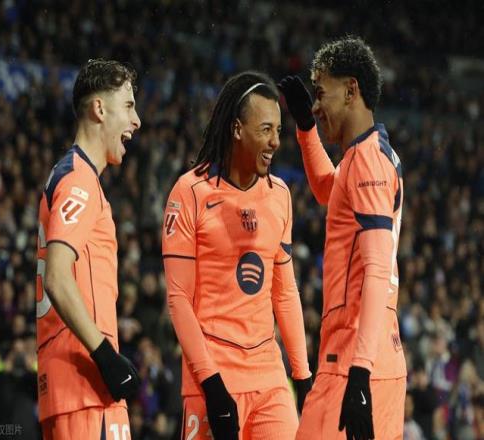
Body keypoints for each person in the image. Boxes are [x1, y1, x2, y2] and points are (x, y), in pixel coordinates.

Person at [162, 71, 312, 440]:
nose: (276, 141)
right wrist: (211, 384)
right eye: (266, 129)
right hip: (212, 375)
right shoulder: (190, 192)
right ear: (237, 129)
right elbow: (179, 299)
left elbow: (284, 292)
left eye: (279, 130)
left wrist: (302, 376)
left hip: (268, 377)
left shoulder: (280, 195)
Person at [278, 36, 407, 439]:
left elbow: (376, 268)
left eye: (321, 94)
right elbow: (327, 190)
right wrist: (305, 129)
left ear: (351, 90)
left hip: (354, 357)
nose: (316, 107)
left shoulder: (367, 160)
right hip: (374, 355)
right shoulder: (368, 154)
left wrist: (360, 371)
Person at [36, 59, 142, 439]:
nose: (137, 121)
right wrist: (106, 357)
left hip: (70, 390)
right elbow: (57, 276)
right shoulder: (78, 180)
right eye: (128, 106)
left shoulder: (69, 175)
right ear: (99, 109)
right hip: (86, 389)